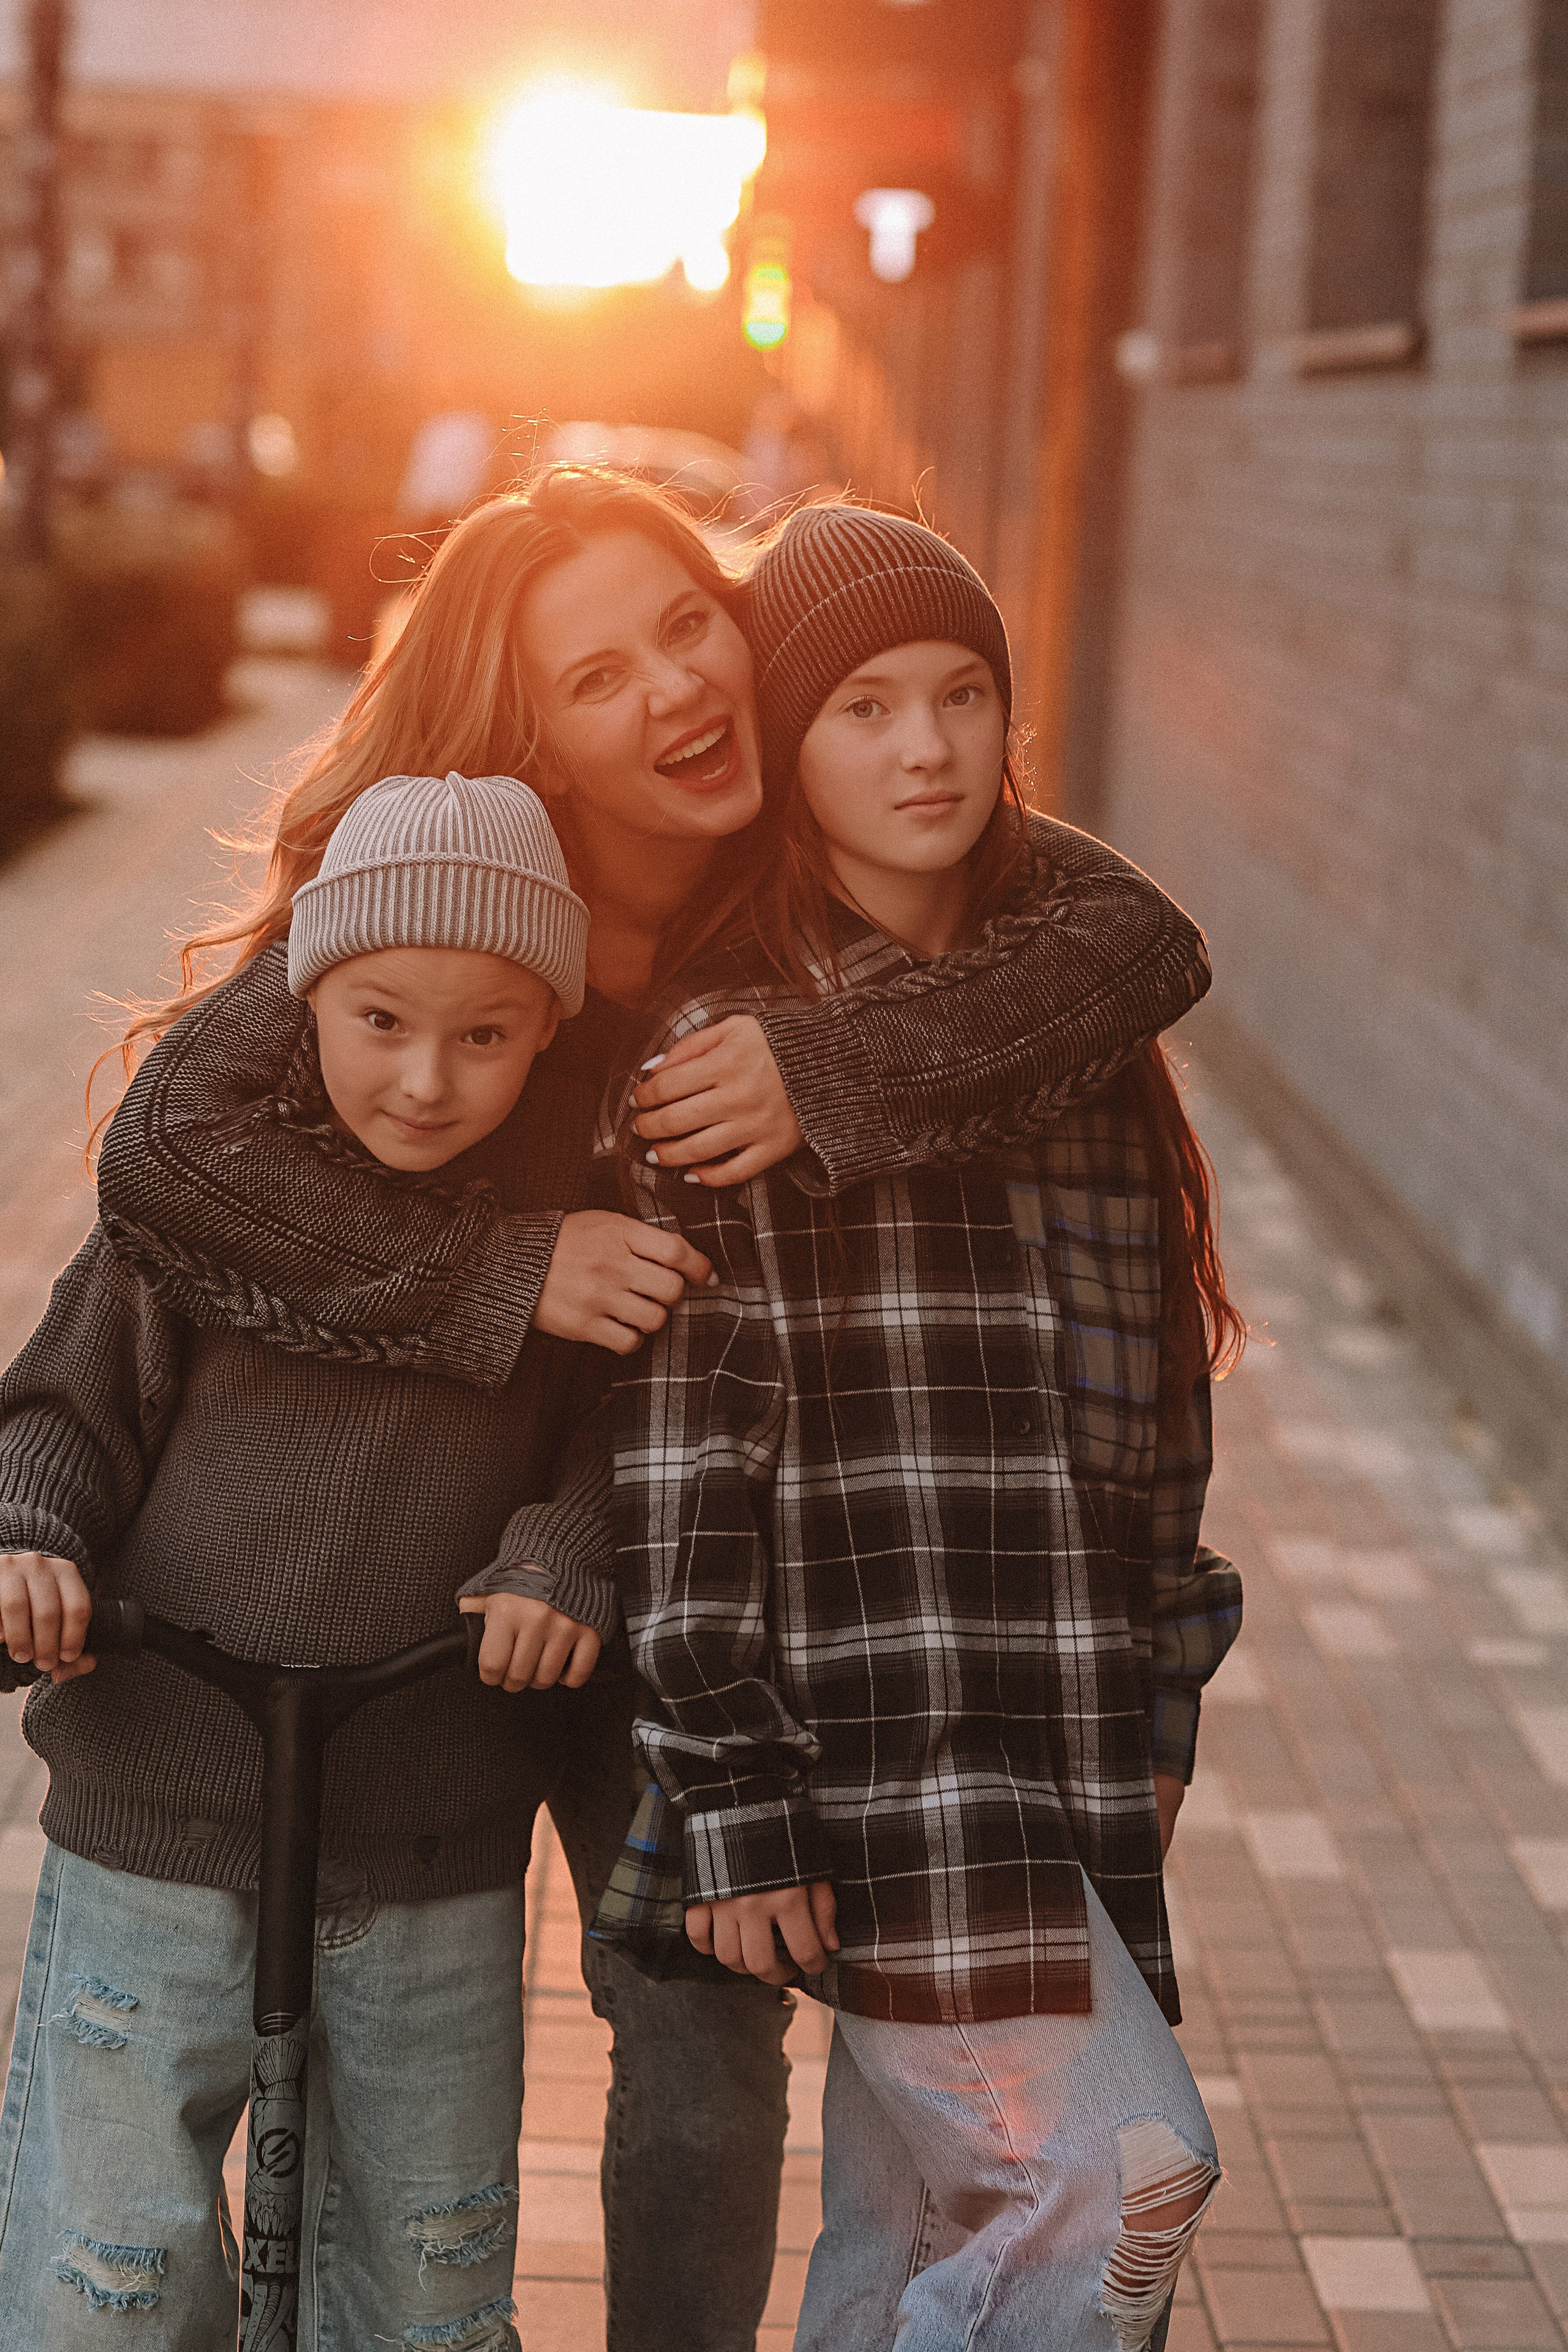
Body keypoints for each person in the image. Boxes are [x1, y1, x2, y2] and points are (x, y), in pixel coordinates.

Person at [85, 467, 1216, 2352]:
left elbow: (1137, 942)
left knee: (704, 2041)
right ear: (526, 734)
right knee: (365, 2074)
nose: (678, 690)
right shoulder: (441, 871)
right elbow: (172, 1152)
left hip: (682, 1552)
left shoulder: (822, 851)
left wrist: (834, 1064)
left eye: (692, 624)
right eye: (597, 676)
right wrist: (502, 1274)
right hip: (413, 1561)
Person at [598, 505, 1246, 2351]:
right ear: (792, 750)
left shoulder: (1075, 1038)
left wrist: (1165, 1704)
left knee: (903, 2233)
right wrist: (726, 1790)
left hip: (1059, 1735)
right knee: (1127, 2171)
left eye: (962, 694)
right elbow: (682, 1467)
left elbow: (1155, 1417)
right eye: (865, 707)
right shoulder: (724, 1056)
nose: (929, 748)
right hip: (876, 1756)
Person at [0, 773, 614, 2349]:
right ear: (305, 1005)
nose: (424, 1080)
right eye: (380, 1020)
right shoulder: (211, 1221)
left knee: (430, 2278)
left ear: (546, 1029)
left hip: (426, 1834)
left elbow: (616, 1447)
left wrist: (561, 1556)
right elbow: (64, 1411)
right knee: (107, 2280)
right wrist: (29, 1540)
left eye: (485, 1032)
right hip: (160, 1817)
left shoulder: (564, 1236)